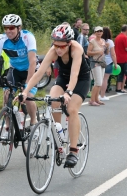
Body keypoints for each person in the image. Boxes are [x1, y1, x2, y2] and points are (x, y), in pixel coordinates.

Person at [18, 24, 91, 168]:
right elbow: (38, 73)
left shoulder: (77, 49)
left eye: (62, 46)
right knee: (53, 101)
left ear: (69, 43)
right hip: (63, 77)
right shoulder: (54, 50)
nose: (58, 49)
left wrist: (69, 92)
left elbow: (75, 74)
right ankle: (60, 137)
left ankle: (73, 151)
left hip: (81, 79)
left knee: (71, 109)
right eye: (55, 45)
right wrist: (25, 92)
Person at [0, 14, 38, 138]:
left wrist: (28, 84)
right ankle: (7, 128)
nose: (8, 31)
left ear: (19, 28)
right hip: (15, 70)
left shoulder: (28, 37)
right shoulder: (2, 40)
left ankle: (34, 123)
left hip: (31, 69)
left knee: (28, 96)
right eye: (6, 28)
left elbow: (32, 62)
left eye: (12, 28)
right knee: (7, 94)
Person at [87, 26, 109, 105]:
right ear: (95, 32)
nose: (99, 33)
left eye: (100, 31)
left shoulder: (103, 41)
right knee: (98, 82)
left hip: (102, 62)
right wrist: (97, 52)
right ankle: (92, 100)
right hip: (95, 62)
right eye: (97, 31)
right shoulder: (92, 41)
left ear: (102, 32)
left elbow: (106, 52)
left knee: (100, 82)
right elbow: (88, 52)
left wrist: (107, 47)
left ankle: (96, 99)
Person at [99, 27, 117, 101]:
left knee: (99, 79)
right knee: (105, 79)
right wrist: (115, 63)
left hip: (99, 61)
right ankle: (102, 95)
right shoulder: (110, 42)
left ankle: (96, 95)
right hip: (108, 62)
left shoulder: (99, 41)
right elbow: (113, 54)